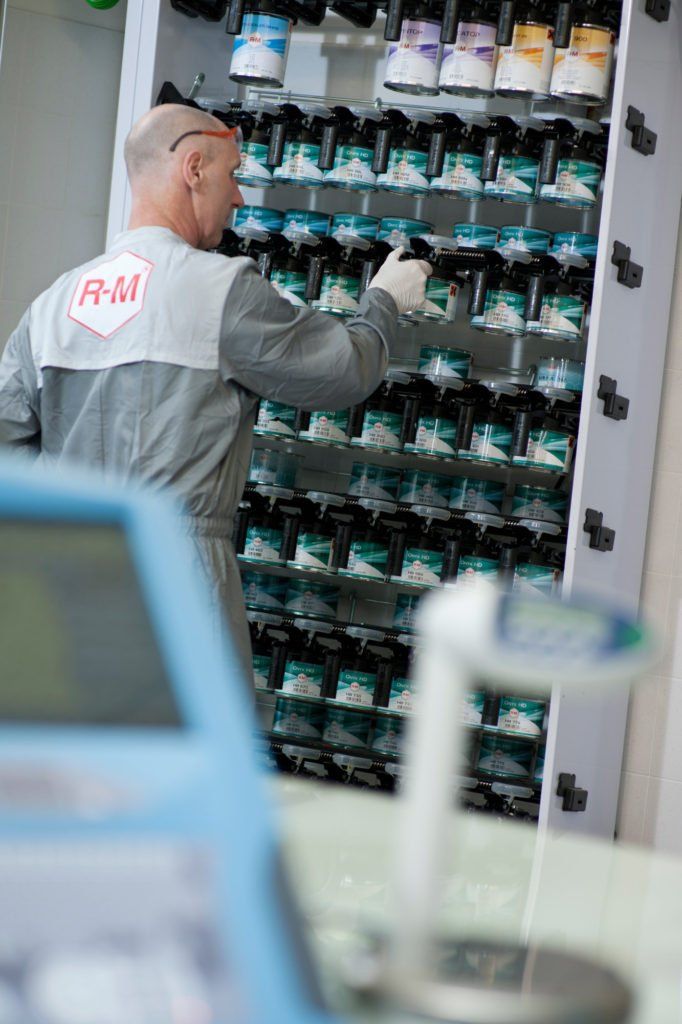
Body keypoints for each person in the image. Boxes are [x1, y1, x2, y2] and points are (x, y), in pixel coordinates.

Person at [0, 103, 431, 673]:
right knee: (184, 758)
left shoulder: (53, 304)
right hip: (176, 578)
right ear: (194, 168)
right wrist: (385, 300)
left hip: (62, 584)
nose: (239, 198)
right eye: (233, 177)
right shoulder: (220, 290)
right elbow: (345, 370)